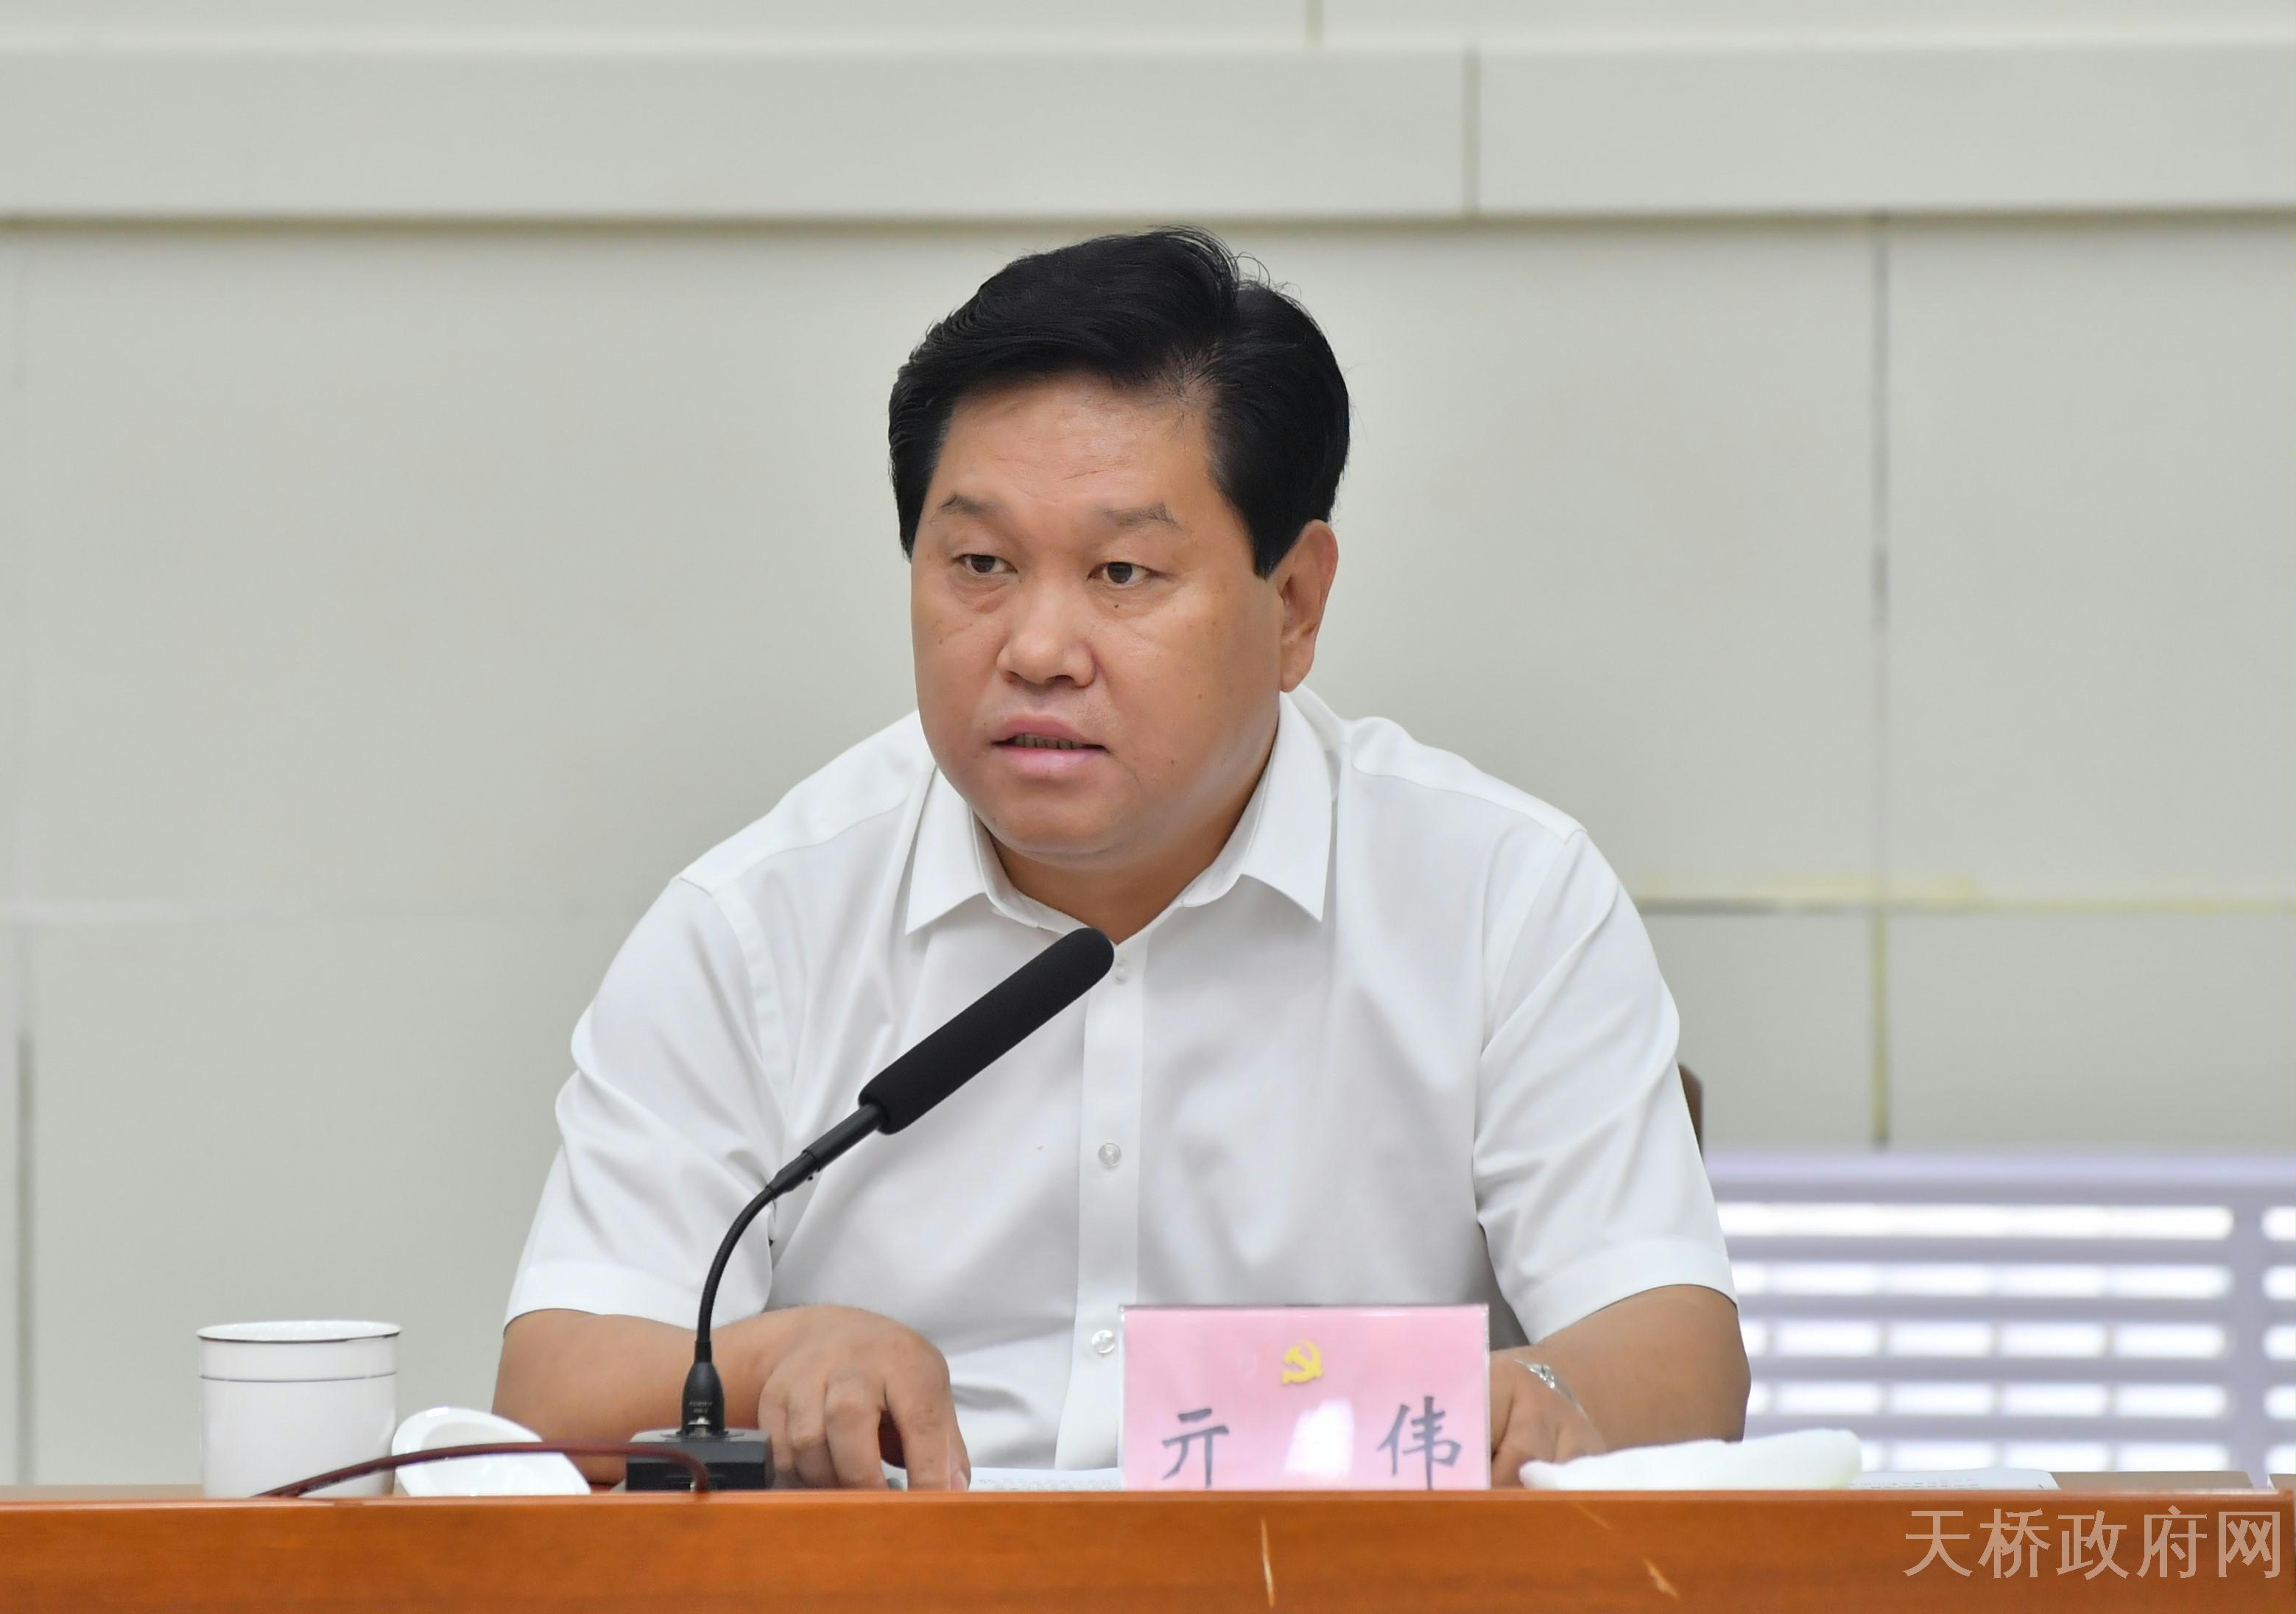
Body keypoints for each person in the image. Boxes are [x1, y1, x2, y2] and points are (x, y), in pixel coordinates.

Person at [493, 228, 1747, 1491]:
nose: (1038, 648)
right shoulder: (755, 925)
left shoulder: (1500, 896)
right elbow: (551, 1396)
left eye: (1122, 572)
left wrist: (1539, 1396)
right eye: (980, 565)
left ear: (1294, 603)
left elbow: (1677, 1355)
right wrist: (778, 1356)